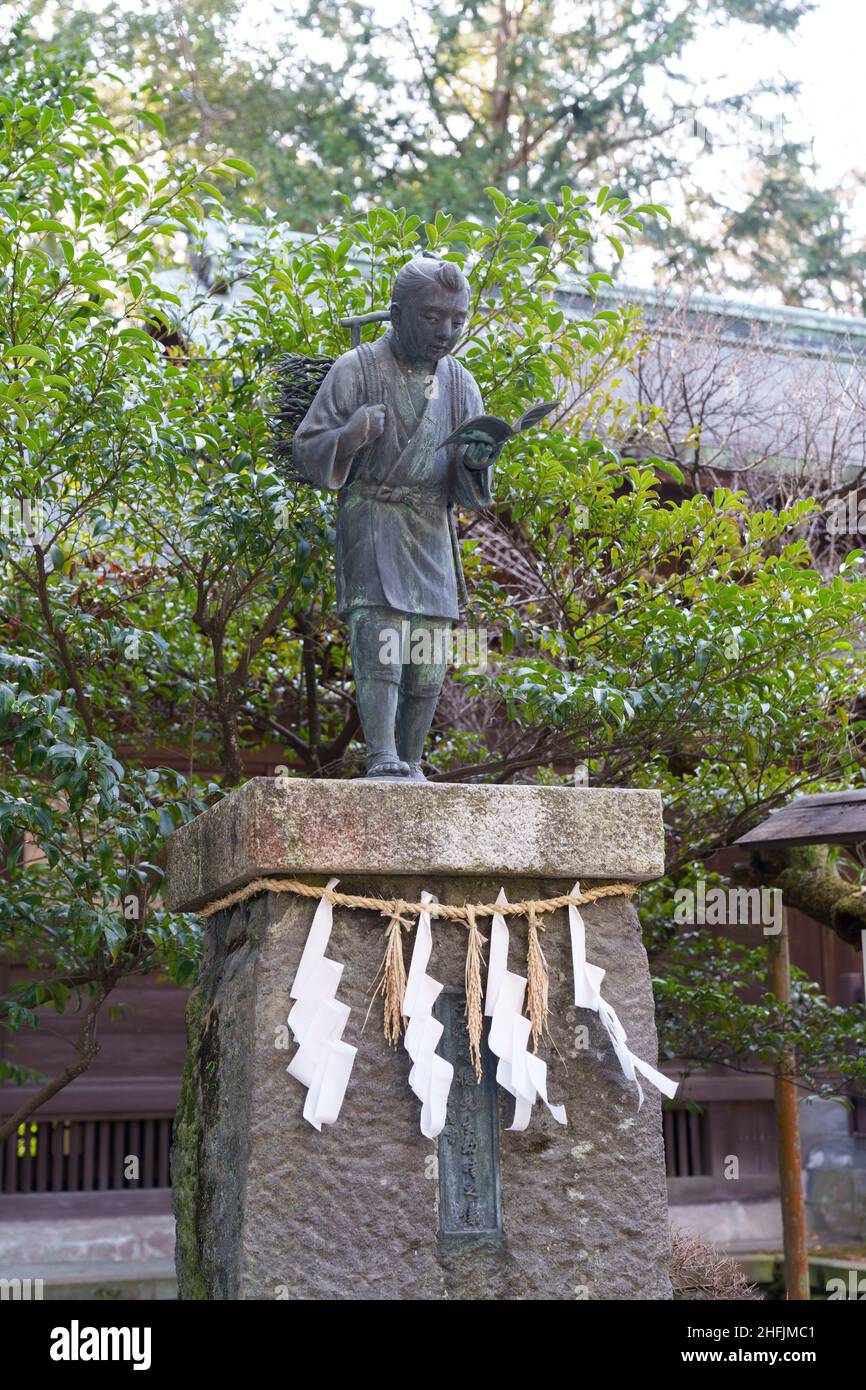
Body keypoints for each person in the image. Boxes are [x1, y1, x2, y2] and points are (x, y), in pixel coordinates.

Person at [292, 253, 501, 778]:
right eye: (432, 317)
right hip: (374, 511)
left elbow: (466, 488)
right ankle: (382, 754)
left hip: (430, 522)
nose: (445, 331)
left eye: (456, 320)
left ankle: (411, 760)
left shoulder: (460, 384)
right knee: (379, 633)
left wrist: (476, 463)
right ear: (397, 312)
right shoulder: (357, 368)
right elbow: (307, 448)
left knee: (430, 648)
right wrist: (349, 433)